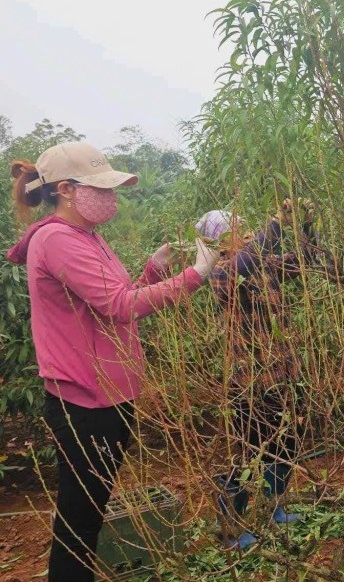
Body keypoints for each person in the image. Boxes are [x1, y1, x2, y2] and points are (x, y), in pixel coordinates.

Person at [7, 143, 217, 582]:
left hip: (110, 393)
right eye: (100, 187)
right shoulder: (58, 239)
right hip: (85, 402)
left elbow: (108, 306)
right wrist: (196, 274)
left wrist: (154, 269)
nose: (111, 197)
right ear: (66, 189)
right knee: (80, 519)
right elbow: (121, 307)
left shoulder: (87, 237)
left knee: (91, 507)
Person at [202, 199, 318, 548]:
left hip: (279, 373)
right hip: (248, 380)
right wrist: (276, 224)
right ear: (221, 241)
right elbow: (247, 261)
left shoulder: (263, 262)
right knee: (246, 451)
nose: (248, 233)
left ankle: (274, 507)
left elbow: (304, 262)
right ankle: (232, 527)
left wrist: (306, 226)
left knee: (285, 443)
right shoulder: (222, 272)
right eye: (238, 230)